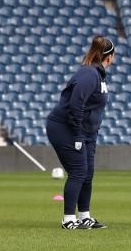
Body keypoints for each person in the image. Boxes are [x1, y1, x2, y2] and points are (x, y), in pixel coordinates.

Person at [46, 36, 115, 230]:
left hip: (86, 132)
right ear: (110, 57)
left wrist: (90, 134)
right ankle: (68, 219)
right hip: (64, 127)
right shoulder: (89, 74)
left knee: (88, 173)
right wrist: (77, 135)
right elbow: (76, 105)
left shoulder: (98, 74)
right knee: (78, 171)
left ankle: (85, 216)